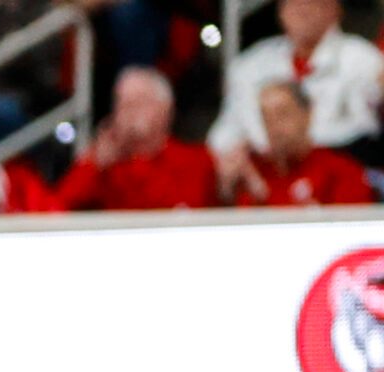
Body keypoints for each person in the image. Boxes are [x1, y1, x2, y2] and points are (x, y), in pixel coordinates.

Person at [205, 0, 380, 166]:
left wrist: (296, 144)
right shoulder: (251, 63)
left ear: (334, 8)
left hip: (335, 169)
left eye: (311, 2)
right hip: (265, 174)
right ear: (280, 11)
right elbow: (224, 133)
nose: (301, 10)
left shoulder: (364, 59)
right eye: (292, 2)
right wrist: (235, 156)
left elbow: (366, 130)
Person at [52, 68, 217, 213]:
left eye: (140, 101)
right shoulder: (104, 167)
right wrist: (94, 164)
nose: (131, 111)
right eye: (123, 103)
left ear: (165, 108)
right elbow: (57, 211)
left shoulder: (196, 160)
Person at [226, 81, 373, 208]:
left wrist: (265, 197)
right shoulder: (253, 172)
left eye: (282, 114)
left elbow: (351, 230)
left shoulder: (341, 171)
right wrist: (226, 189)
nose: (274, 127)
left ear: (308, 114)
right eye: (266, 117)